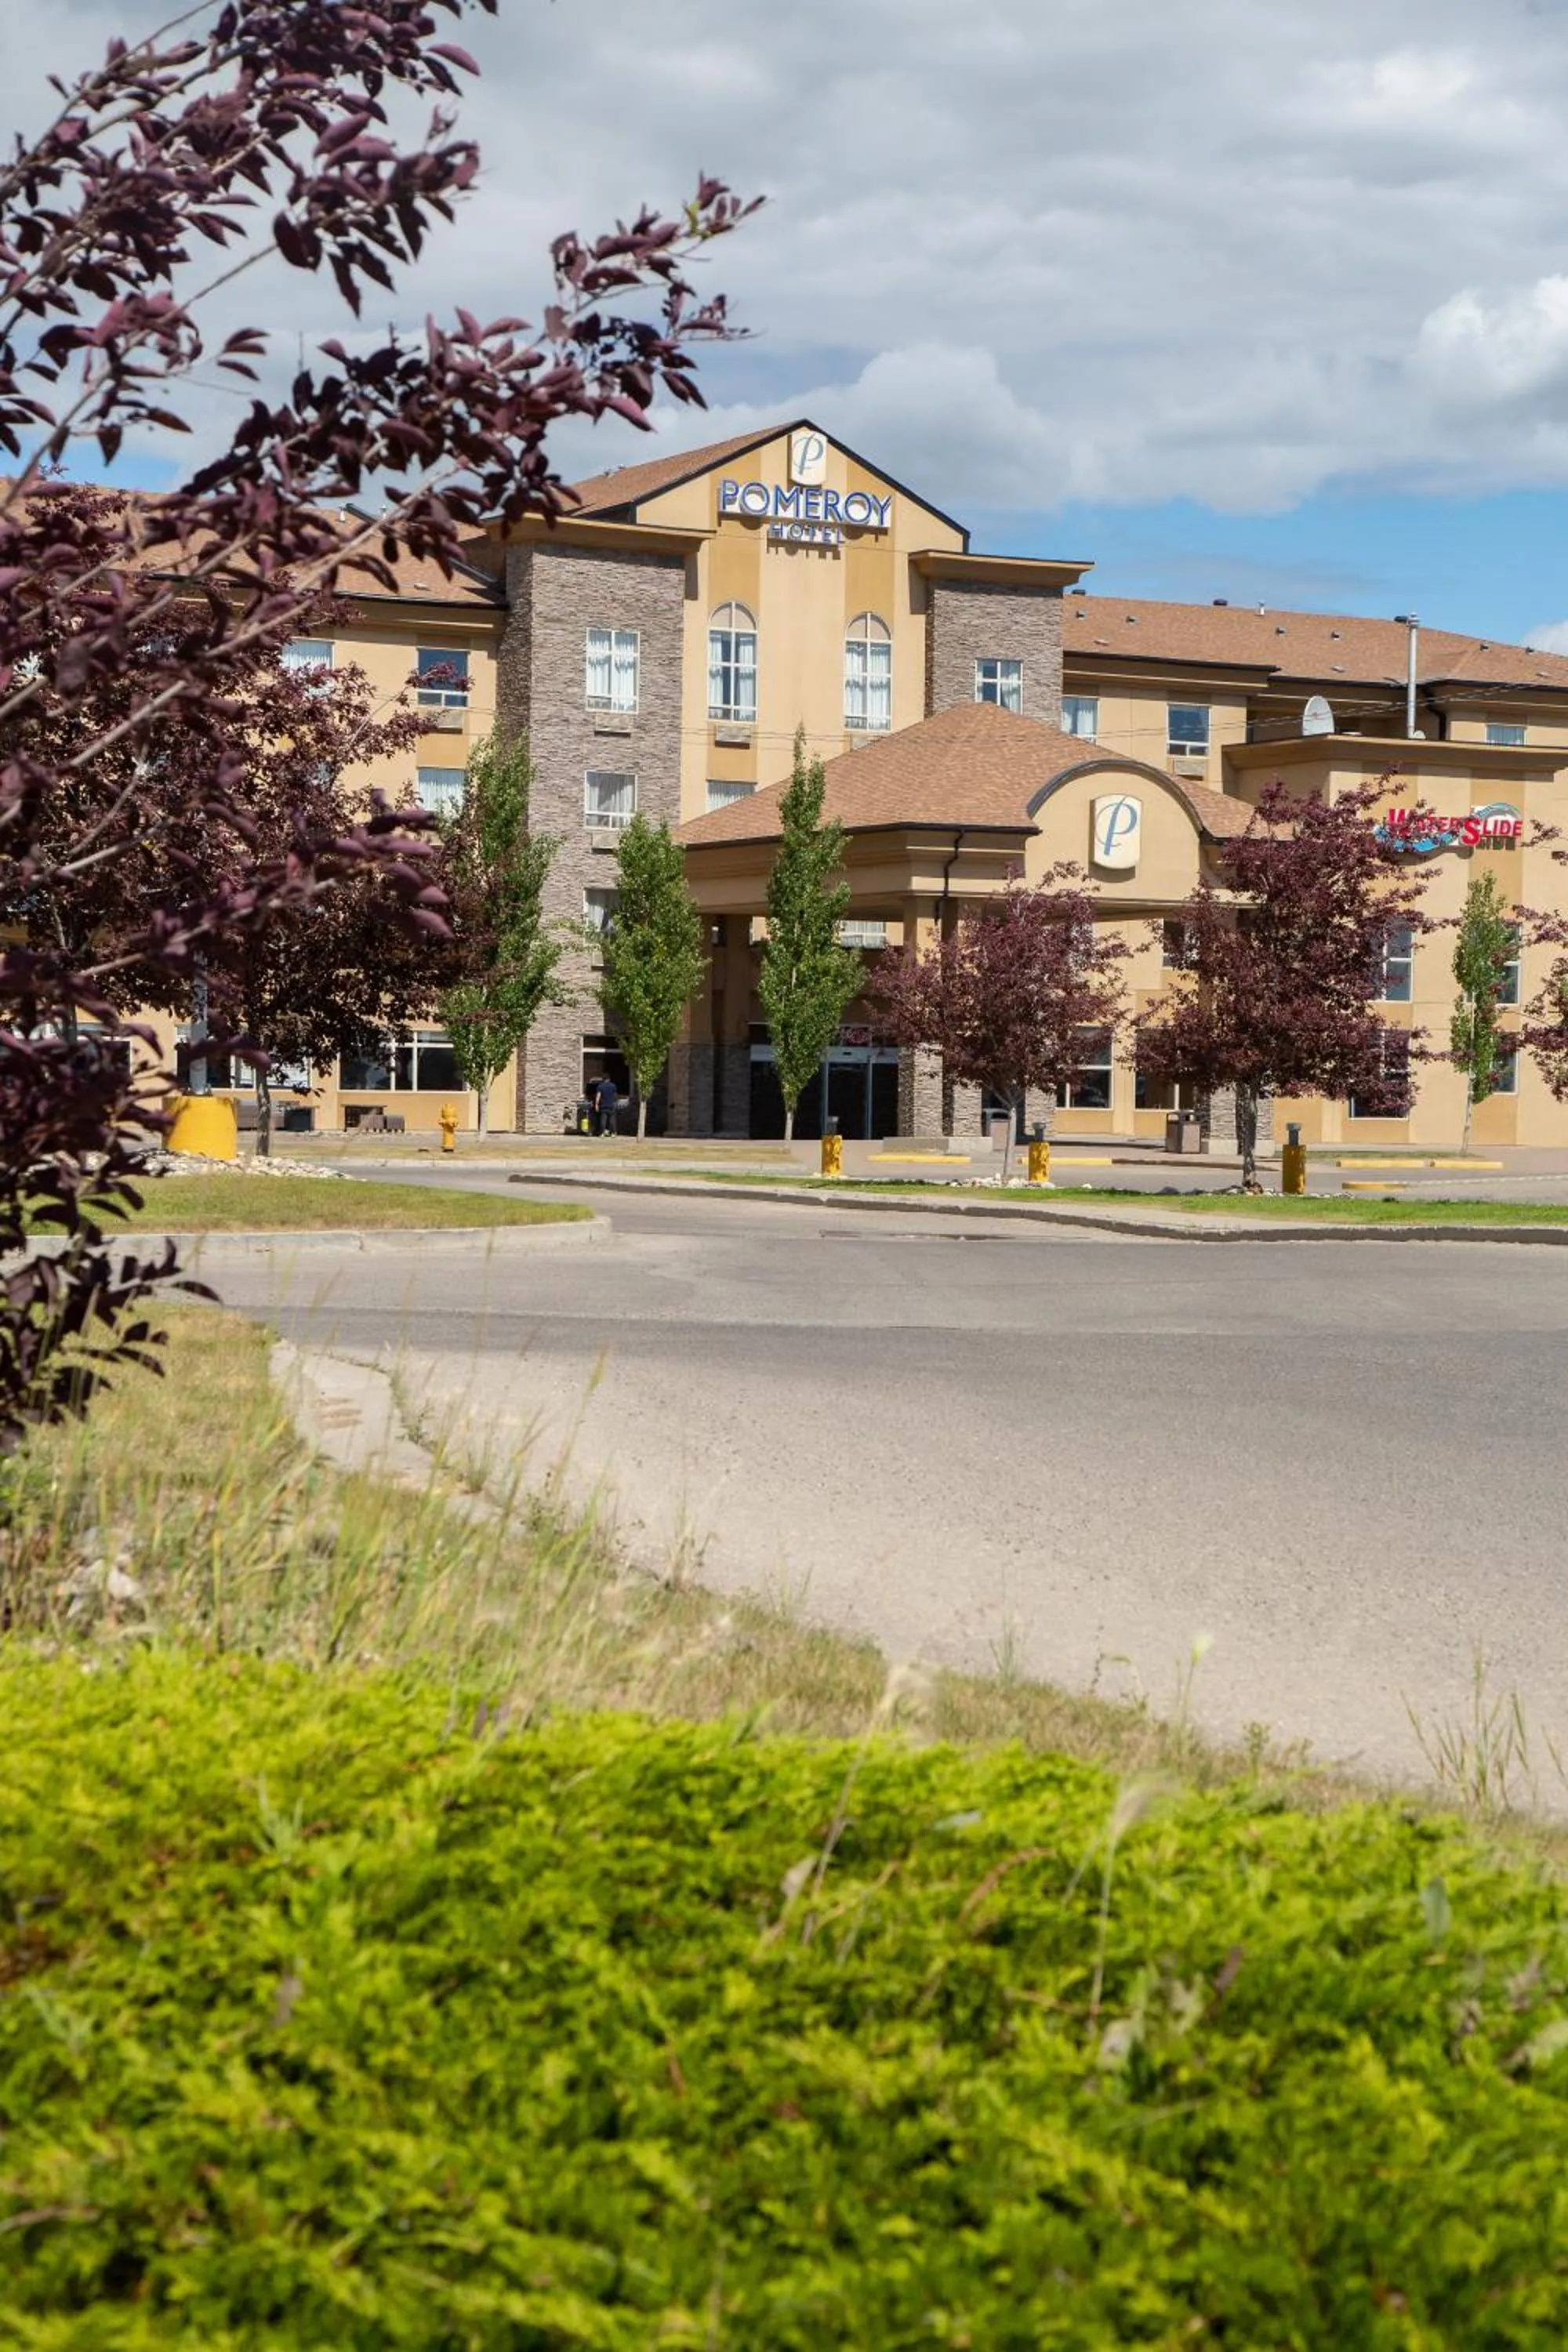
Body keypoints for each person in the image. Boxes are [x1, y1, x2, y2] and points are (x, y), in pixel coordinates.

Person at [591, 1071, 619, 1137]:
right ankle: (613, 1133)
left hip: (603, 1105)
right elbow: (615, 1096)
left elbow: (598, 1096)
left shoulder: (600, 1086)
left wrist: (596, 1105)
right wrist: (615, 1102)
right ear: (609, 1079)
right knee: (612, 1120)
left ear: (603, 1079)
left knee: (603, 1120)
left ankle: (602, 1133)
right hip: (611, 1105)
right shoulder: (613, 1086)